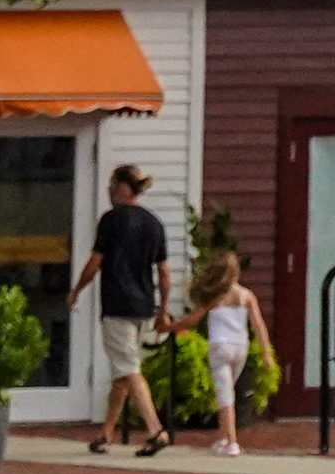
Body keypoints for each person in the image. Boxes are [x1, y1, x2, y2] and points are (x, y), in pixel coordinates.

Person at [66, 163, 173, 457]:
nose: (110, 191)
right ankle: (106, 434)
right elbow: (164, 272)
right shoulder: (154, 224)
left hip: (117, 306)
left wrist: (76, 290)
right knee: (122, 372)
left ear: (124, 187)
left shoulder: (111, 221)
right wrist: (162, 309)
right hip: (144, 308)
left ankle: (155, 430)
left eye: (113, 185)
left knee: (129, 369)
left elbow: (95, 261)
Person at [166, 251, 274, 457]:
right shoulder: (246, 296)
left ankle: (232, 442)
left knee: (225, 397)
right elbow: (258, 325)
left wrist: (170, 328)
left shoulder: (214, 296)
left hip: (219, 347)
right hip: (240, 348)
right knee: (228, 391)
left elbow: (192, 320)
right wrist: (266, 353)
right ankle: (224, 438)